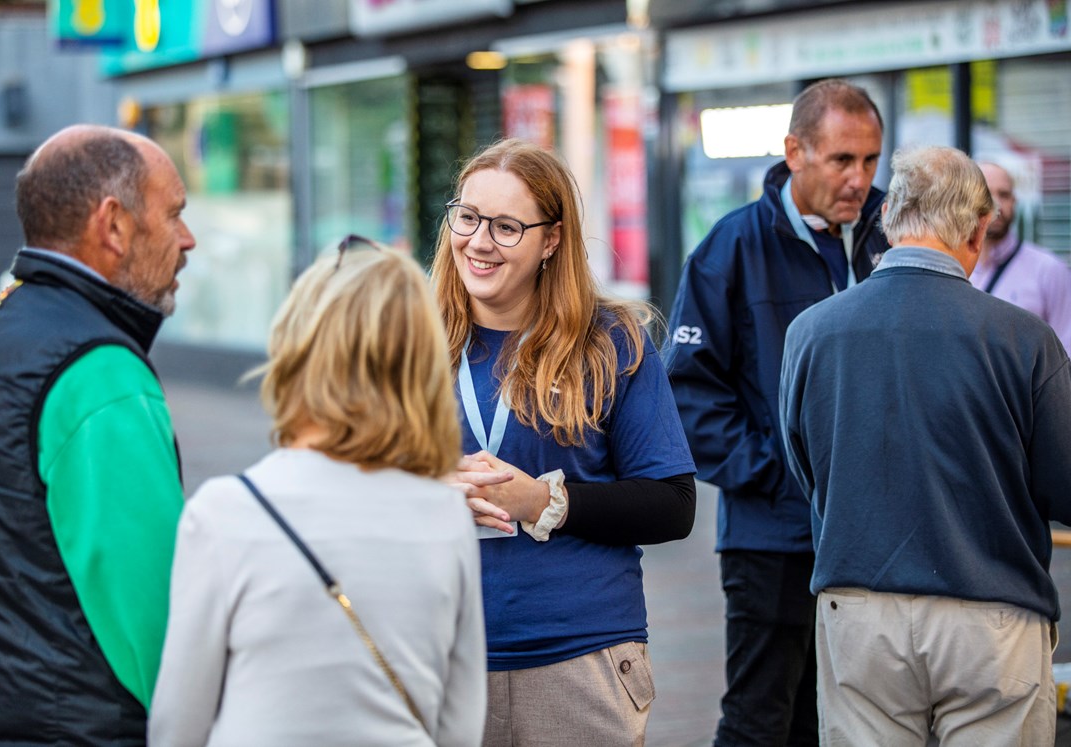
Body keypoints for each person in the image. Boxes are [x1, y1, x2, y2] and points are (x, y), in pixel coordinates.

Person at [779, 144, 1071, 745]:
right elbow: (1065, 488)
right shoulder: (1024, 339)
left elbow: (805, 468)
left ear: (887, 220)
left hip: (857, 609)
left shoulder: (810, 332)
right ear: (979, 229)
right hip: (993, 612)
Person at [149, 238, 487, 746]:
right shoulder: (446, 516)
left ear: (296, 347)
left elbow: (177, 728)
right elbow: (460, 728)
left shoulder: (224, 514)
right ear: (421, 369)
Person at [433, 138, 697, 745]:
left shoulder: (612, 343)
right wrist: (426, 490)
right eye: (468, 218)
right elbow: (358, 487)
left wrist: (544, 502)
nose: (478, 242)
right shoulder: (412, 338)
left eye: (506, 227)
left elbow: (672, 504)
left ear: (551, 240)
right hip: (443, 656)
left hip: (581, 659)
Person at [663, 78, 890, 746]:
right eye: (842, 160)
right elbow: (687, 394)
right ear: (795, 151)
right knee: (761, 719)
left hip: (874, 538)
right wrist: (778, 473)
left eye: (872, 160)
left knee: (845, 720)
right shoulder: (730, 249)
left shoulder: (893, 239)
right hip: (772, 538)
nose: (860, 179)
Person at [0, 124, 196, 743]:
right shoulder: (100, 372)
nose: (188, 240)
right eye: (174, 215)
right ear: (112, 225)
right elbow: (154, 623)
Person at [971, 160, 1071, 354]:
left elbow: (1066, 350)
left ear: (1014, 201)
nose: (996, 204)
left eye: (1004, 194)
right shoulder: (953, 268)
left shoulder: (1048, 269)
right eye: (986, 194)